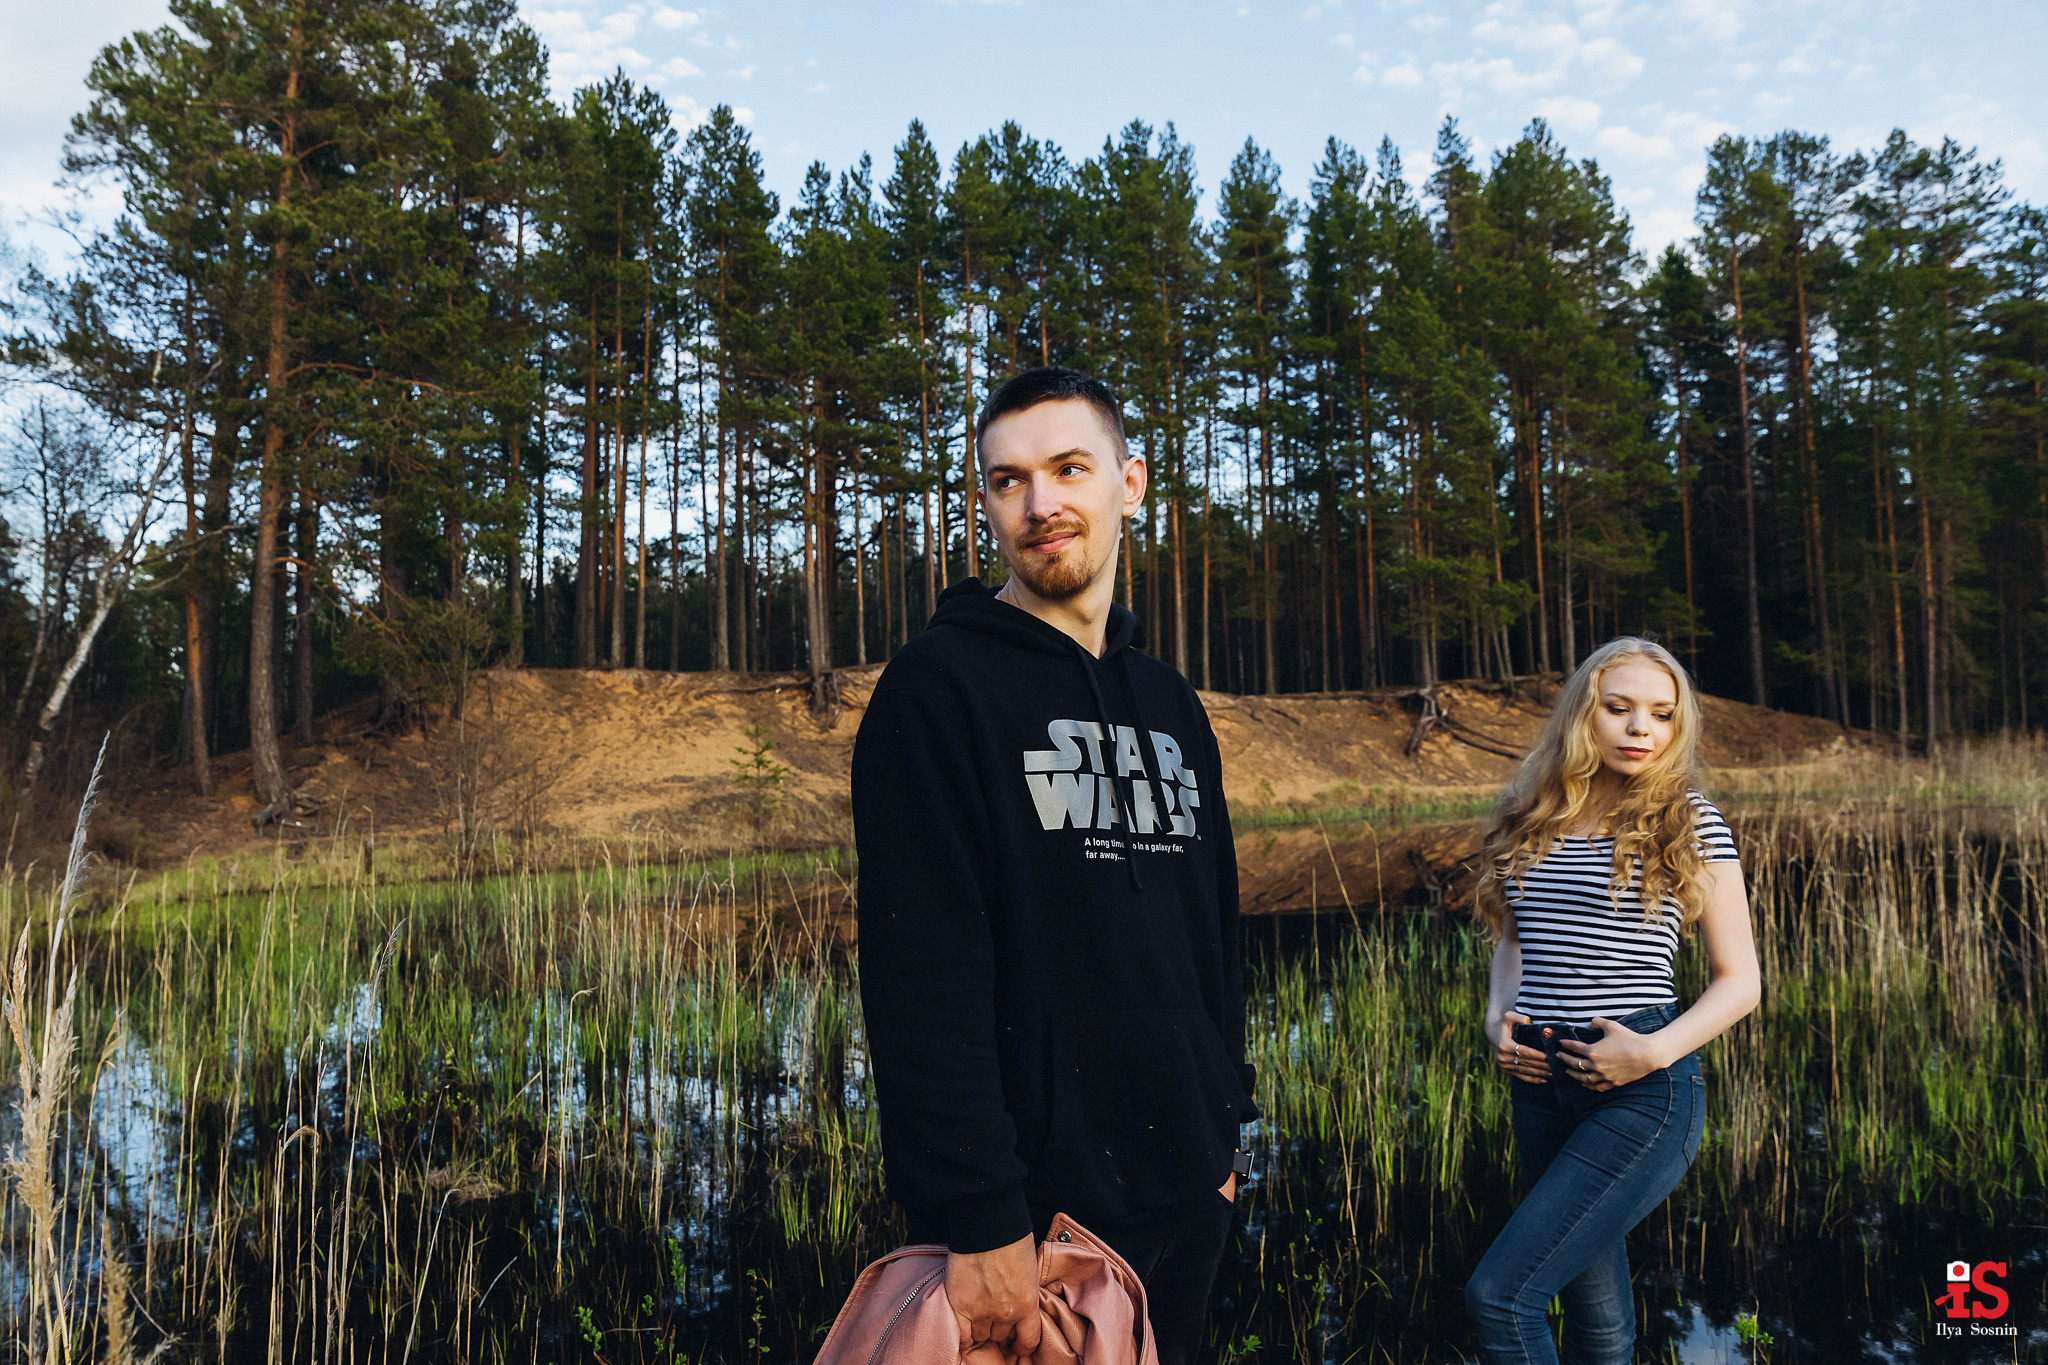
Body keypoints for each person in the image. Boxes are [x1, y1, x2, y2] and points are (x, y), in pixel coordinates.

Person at [852, 366, 1256, 1365]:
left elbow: (1213, 932)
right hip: (1032, 1225)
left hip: (1186, 1196)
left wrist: (1224, 1132)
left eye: (1069, 468)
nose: (1039, 503)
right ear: (987, 503)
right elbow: (920, 973)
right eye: (1007, 480)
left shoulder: (1170, 703)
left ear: (1130, 483)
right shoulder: (934, 690)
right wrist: (979, 1212)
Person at [1464, 637, 1762, 1365]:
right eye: (1619, 707)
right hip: (1540, 1080)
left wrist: (1652, 1052)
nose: (1640, 729)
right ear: (1581, 714)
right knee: (1594, 1317)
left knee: (1501, 1296)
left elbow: (1741, 980)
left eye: (1661, 714)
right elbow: (1516, 940)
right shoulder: (1532, 814)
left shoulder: (1689, 819)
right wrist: (1497, 1016)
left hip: (1643, 1085)